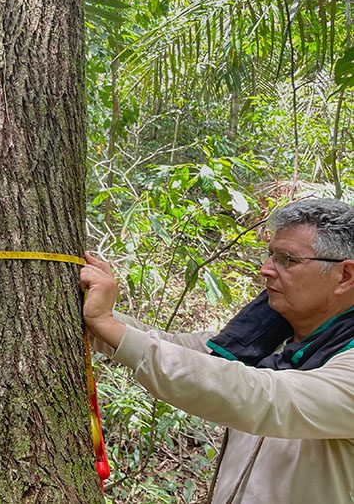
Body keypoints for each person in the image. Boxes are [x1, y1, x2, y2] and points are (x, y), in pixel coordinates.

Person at [80, 198, 354, 503]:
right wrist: (96, 318)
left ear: (344, 276)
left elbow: (264, 397)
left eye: (287, 259)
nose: (265, 270)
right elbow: (186, 352)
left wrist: (108, 326)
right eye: (270, 255)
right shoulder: (270, 341)